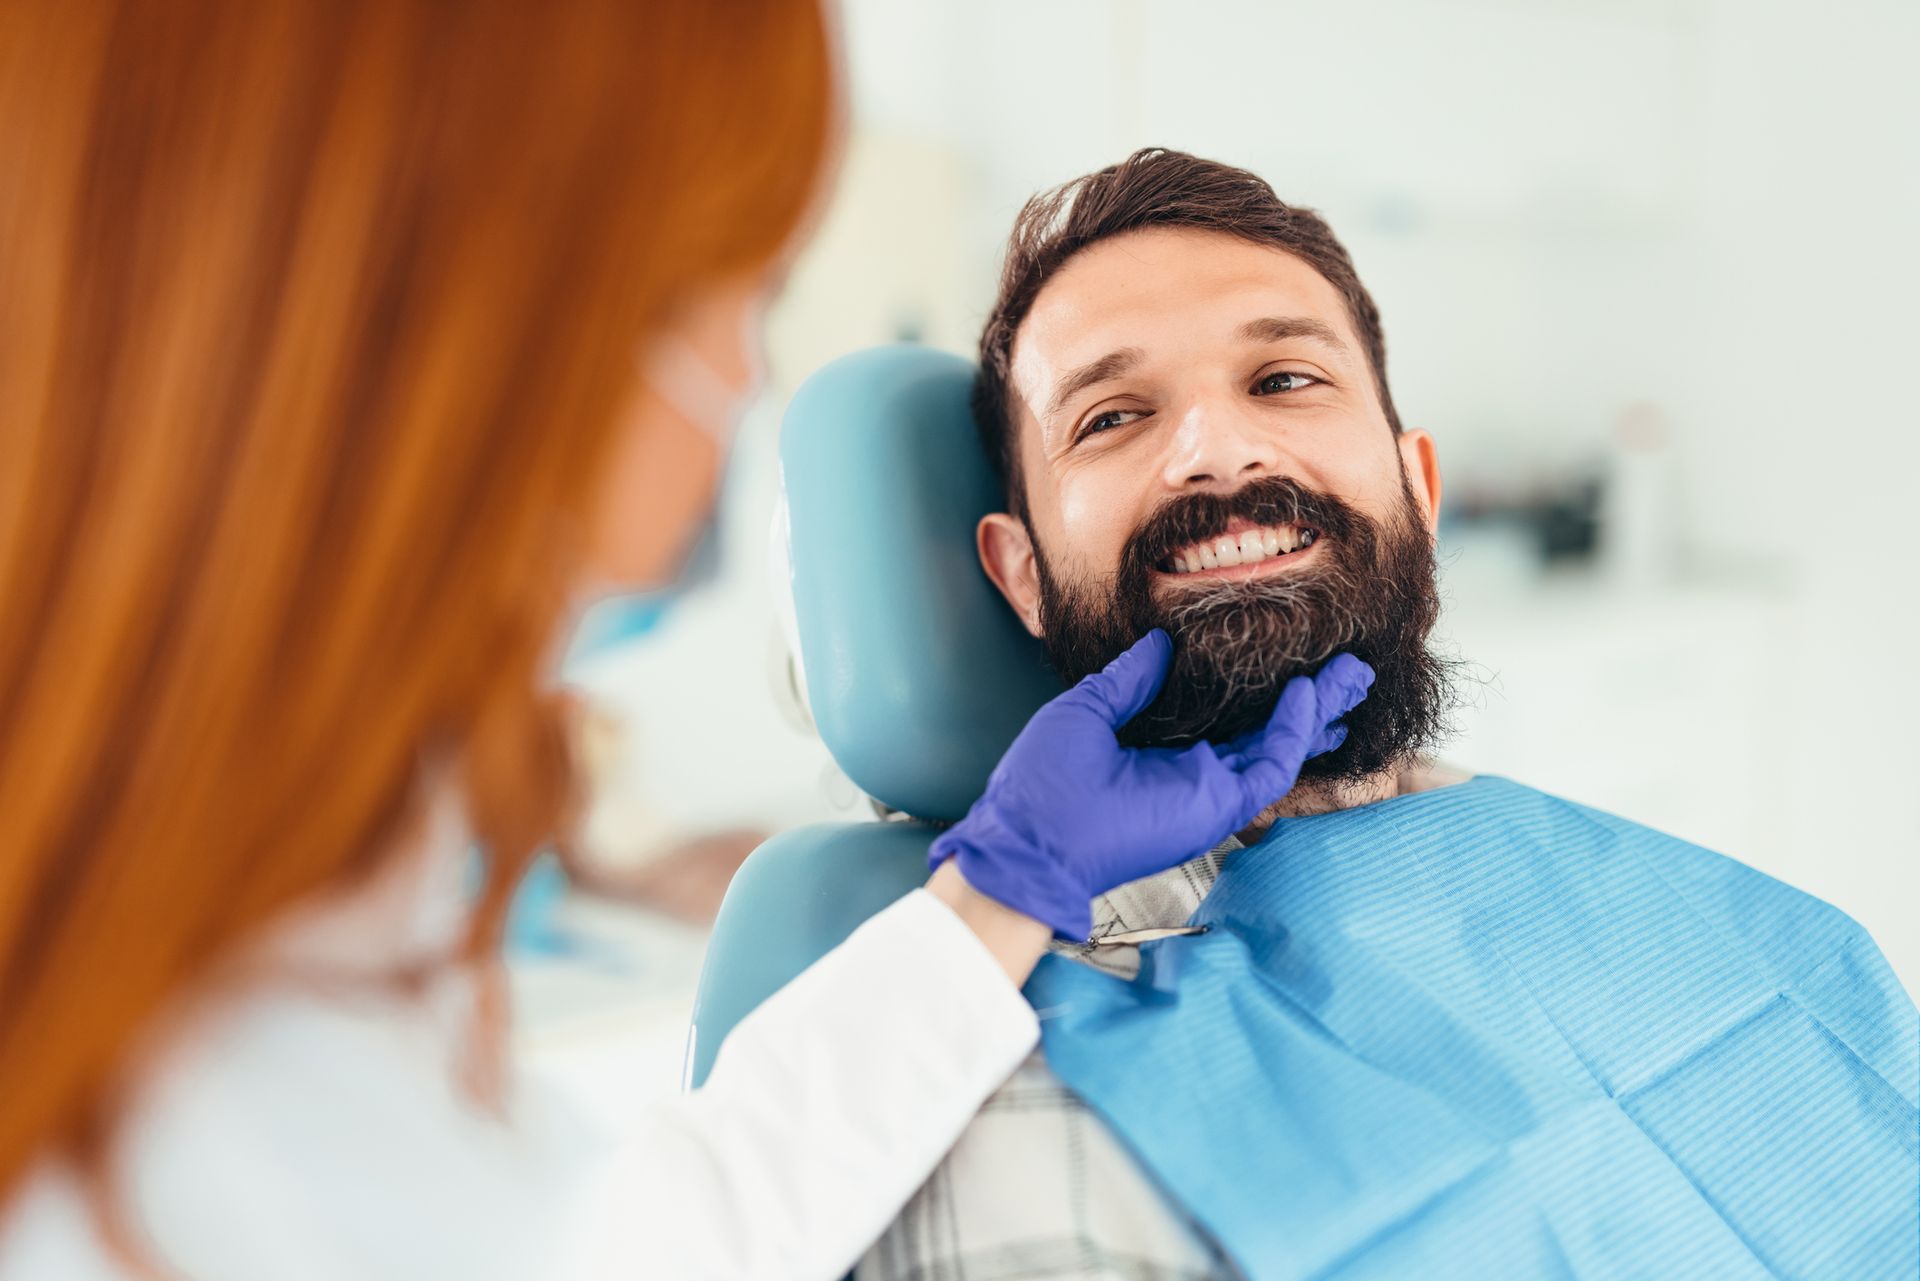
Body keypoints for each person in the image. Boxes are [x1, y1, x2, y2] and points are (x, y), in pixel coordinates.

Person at [0, 12, 1367, 1281]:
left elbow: (631, 1240)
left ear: (1416, 472)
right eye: (733, 295)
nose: (739, 390)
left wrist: (1004, 890)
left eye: (1286, 378)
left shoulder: (310, 892)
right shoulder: (201, 1108)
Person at [860, 149, 1918, 1280]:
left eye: (1282, 380)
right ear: (1019, 575)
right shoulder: (981, 1078)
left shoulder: (1744, 929)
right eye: (1113, 414)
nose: (1217, 449)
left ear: (1419, 486)